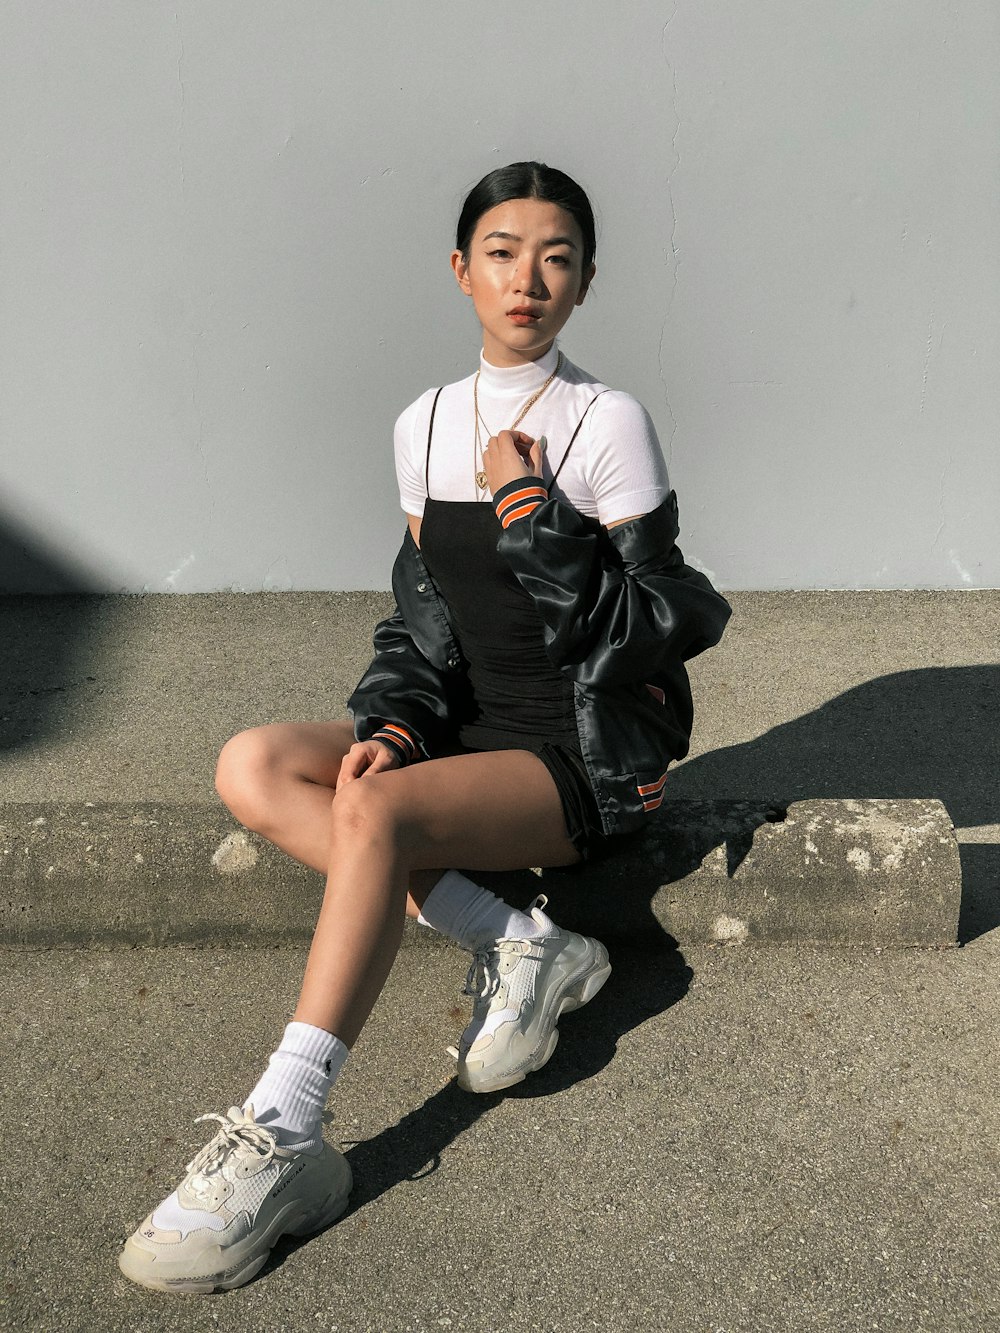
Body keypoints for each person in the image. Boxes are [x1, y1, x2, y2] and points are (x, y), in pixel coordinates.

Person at [118, 161, 731, 1293]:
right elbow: (428, 613)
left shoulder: (607, 422)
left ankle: (286, 1129)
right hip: (467, 732)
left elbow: (667, 622)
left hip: (580, 755)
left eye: (557, 256)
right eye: (502, 252)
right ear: (461, 271)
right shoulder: (429, 421)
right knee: (253, 763)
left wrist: (529, 518)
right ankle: (521, 939)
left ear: (586, 281)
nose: (528, 278)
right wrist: (398, 723)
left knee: (376, 812)